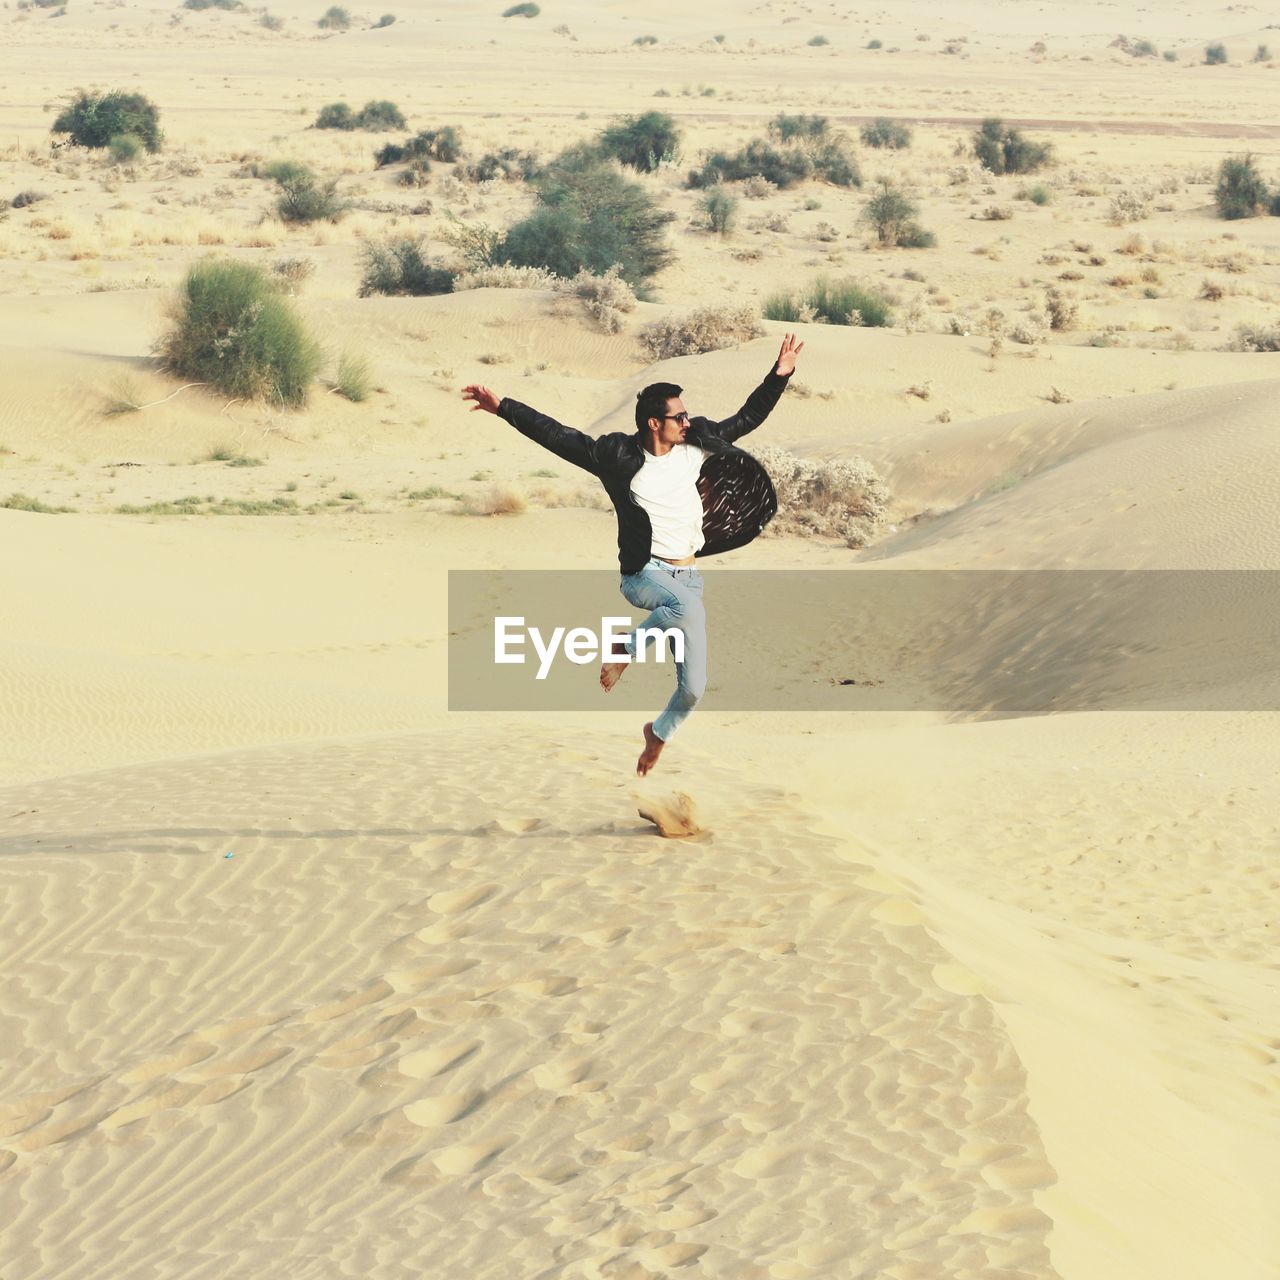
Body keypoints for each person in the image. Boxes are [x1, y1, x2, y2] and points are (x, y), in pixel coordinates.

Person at [462, 333, 803, 775]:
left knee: (694, 689)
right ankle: (625, 649)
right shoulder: (616, 455)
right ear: (653, 424)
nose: (687, 421)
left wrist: (780, 375)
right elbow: (559, 437)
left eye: (685, 413)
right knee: (684, 610)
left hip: (688, 577)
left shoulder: (697, 443)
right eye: (678, 416)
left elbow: (747, 417)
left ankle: (657, 735)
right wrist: (503, 407)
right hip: (644, 575)